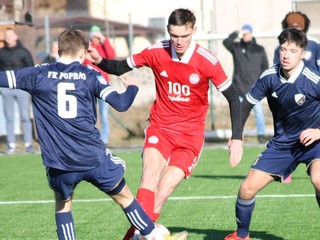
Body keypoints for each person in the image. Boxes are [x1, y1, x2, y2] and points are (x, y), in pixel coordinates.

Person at [0, 28, 176, 240]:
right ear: (83, 53)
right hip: (92, 156)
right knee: (124, 197)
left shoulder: (38, 73)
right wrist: (132, 87)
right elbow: (121, 104)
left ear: (59, 49)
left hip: (59, 161)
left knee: (63, 205)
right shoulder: (90, 74)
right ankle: (152, 235)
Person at [88, 8, 244, 239]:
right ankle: (144, 235)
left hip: (190, 136)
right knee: (149, 174)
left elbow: (233, 98)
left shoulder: (207, 61)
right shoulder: (156, 51)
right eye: (174, 36)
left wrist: (237, 138)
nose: (179, 41)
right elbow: (121, 67)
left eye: (184, 36)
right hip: (160, 127)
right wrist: (100, 61)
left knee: (162, 191)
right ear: (168, 32)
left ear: (193, 31)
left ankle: (135, 236)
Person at [225, 28, 320, 240]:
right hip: (283, 145)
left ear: (303, 53)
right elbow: (246, 105)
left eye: (293, 51)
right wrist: (237, 137)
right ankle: (241, 236)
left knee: (319, 179)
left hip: (315, 142)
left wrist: (318, 131)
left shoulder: (314, 78)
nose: (286, 55)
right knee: (247, 188)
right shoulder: (270, 77)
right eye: (283, 49)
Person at [273, 11, 320, 183]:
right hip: (288, 98)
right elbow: (276, 71)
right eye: (291, 27)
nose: (295, 30)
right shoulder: (279, 49)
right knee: (284, 132)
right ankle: (285, 167)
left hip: (311, 98)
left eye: (298, 27)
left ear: (304, 28)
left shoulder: (314, 46)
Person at [223, 24, 269, 144]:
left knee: (258, 113)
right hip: (238, 87)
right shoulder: (237, 47)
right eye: (243, 34)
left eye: (247, 33)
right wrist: (236, 33)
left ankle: (261, 135)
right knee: (237, 114)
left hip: (254, 89)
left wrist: (260, 82)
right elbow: (226, 42)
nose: (245, 36)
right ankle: (237, 136)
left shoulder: (259, 49)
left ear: (251, 34)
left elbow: (265, 66)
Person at [0, 28, 35, 154]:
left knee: (25, 116)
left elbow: (31, 69)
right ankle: (11, 145)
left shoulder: (24, 51)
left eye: (10, 35)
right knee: (9, 117)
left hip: (21, 88)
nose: (8, 37)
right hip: (6, 89)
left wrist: (28, 85)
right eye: (6, 35)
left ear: (15, 36)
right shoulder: (1, 52)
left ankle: (28, 145)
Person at [83, 25, 116, 147]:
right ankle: (92, 138)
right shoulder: (87, 48)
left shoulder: (103, 47)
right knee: (90, 113)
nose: (96, 39)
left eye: (98, 37)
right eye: (94, 36)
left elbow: (111, 55)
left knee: (103, 113)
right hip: (90, 86)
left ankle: (104, 139)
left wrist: (105, 40)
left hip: (103, 85)